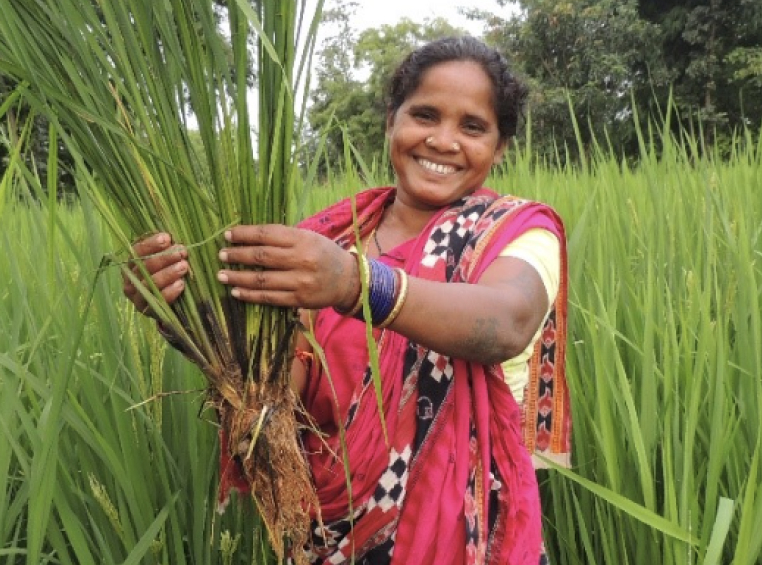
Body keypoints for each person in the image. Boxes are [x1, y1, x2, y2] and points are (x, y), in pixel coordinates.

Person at [123, 36, 570, 565]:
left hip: (466, 538)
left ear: (499, 147)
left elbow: (504, 323)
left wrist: (355, 285)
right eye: (424, 114)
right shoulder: (326, 245)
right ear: (391, 120)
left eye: (472, 126)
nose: (444, 141)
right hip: (328, 539)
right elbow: (273, 394)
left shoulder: (515, 233)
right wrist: (183, 313)